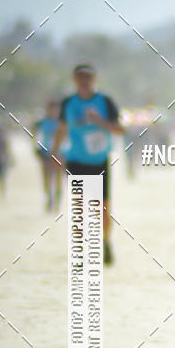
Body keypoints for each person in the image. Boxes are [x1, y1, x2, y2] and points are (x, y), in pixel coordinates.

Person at [52, 64, 124, 265]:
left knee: (102, 208)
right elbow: (62, 127)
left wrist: (99, 121)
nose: (84, 80)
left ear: (94, 79)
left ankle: (105, 243)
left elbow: (120, 130)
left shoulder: (105, 101)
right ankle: (80, 251)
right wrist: (55, 151)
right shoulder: (68, 102)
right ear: (74, 79)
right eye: (80, 77)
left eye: (88, 77)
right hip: (75, 160)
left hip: (100, 161)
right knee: (79, 207)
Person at [33, 98, 63, 211]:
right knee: (47, 178)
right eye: (52, 109)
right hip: (45, 153)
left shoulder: (62, 122)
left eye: (56, 109)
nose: (54, 111)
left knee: (58, 179)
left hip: (60, 153)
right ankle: (49, 198)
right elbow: (34, 136)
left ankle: (57, 201)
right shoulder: (42, 122)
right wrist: (36, 149)